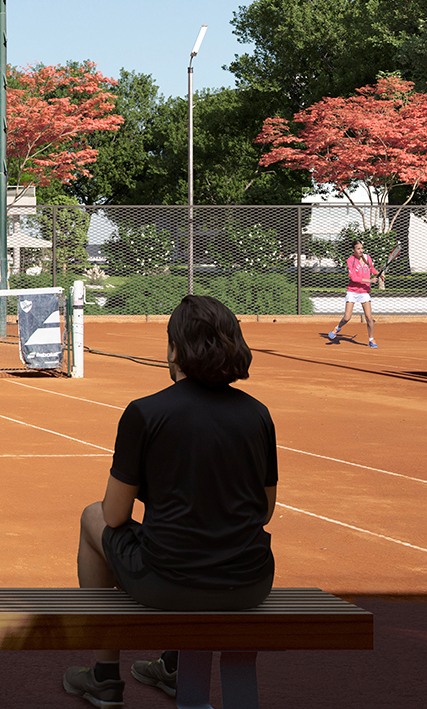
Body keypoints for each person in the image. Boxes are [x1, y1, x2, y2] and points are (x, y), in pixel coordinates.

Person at [63, 295, 278, 708]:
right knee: (206, 532)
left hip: (169, 584)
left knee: (93, 517)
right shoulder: (258, 414)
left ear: (176, 350)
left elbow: (114, 514)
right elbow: (264, 510)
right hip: (250, 583)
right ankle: (176, 663)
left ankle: (105, 675)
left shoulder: (146, 412)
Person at [326, 238, 379, 348]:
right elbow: (353, 278)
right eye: (358, 249)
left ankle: (371, 339)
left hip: (364, 291)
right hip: (352, 291)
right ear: (353, 250)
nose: (361, 250)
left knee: (369, 318)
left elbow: (372, 269)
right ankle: (337, 328)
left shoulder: (367, 258)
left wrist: (379, 274)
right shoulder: (350, 260)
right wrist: (370, 280)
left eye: (362, 248)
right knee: (347, 317)